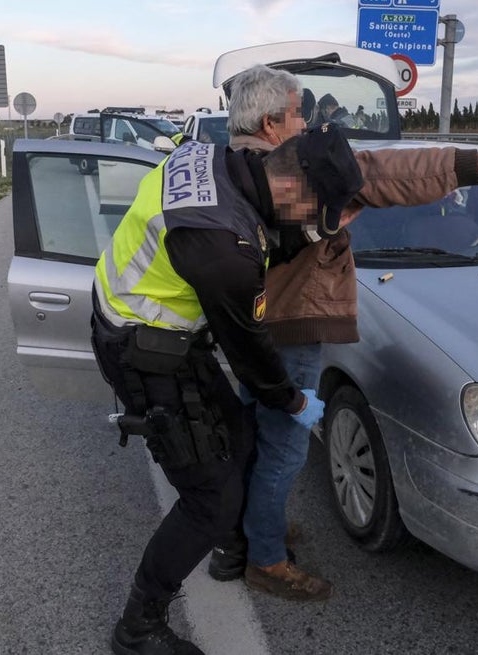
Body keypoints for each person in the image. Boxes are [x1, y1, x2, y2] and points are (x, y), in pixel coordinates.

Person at [208, 64, 478, 600]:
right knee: (284, 448)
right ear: (273, 121)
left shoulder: (225, 166)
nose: (306, 122)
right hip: (292, 327)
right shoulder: (298, 170)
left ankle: (255, 533)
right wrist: (465, 163)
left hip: (246, 325)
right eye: (299, 112)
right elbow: (386, 173)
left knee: (252, 434)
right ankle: (267, 560)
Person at [91, 125, 364, 655]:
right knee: (209, 497)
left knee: (237, 438)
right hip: (142, 349)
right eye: (315, 214)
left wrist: (307, 233)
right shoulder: (225, 248)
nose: (315, 225)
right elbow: (253, 358)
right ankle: (138, 625)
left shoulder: (214, 158)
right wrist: (296, 401)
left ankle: (235, 537)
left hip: (158, 328)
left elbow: (261, 231)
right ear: (292, 187)